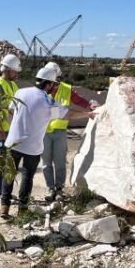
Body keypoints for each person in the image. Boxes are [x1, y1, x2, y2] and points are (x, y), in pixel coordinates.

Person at [0, 65, 95, 220]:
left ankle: (4, 208)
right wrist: (87, 114)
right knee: (27, 176)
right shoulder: (47, 101)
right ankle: (22, 210)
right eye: (53, 85)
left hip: (13, 142)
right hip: (32, 147)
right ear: (49, 84)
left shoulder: (20, 92)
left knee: (9, 174)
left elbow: (10, 112)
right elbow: (68, 114)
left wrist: (13, 130)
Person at [41, 61, 99, 202]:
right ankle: (50, 188)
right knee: (46, 163)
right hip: (43, 132)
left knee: (60, 162)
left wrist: (89, 105)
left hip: (60, 131)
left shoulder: (66, 89)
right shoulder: (41, 90)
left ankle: (59, 188)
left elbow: (77, 99)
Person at [0, 53, 21, 197]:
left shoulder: (13, 84)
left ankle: (5, 191)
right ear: (7, 70)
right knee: (1, 162)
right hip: (2, 132)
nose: (16, 73)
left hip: (12, 130)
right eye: (15, 70)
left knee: (10, 163)